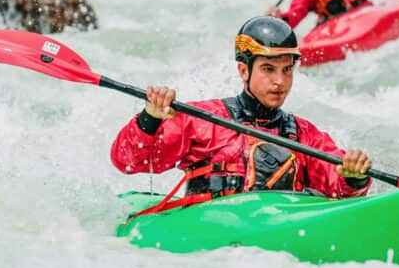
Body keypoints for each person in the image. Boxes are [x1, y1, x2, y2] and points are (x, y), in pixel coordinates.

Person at [110, 16, 372, 209]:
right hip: (213, 236)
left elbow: (340, 193)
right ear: (243, 71)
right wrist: (150, 119)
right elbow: (129, 161)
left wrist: (354, 178)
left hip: (275, 234)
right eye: (268, 69)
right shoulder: (203, 119)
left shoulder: (305, 134)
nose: (280, 81)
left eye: (287, 70)